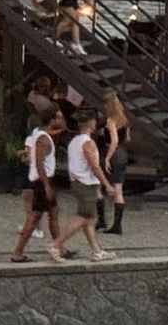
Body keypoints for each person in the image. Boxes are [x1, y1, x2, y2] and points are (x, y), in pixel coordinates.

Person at [49, 112, 118, 262]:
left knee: (90, 219)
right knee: (83, 217)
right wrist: (107, 184)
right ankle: (56, 244)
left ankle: (96, 251)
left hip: (77, 181)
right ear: (89, 123)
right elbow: (94, 166)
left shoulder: (74, 141)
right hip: (86, 183)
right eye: (93, 121)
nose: (95, 123)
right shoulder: (88, 143)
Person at [11, 113, 63, 261]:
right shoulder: (43, 140)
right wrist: (46, 185)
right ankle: (18, 251)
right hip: (42, 181)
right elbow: (39, 162)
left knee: (53, 213)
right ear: (51, 120)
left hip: (44, 179)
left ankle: (60, 247)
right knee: (35, 217)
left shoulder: (41, 136)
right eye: (58, 117)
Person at [99, 92, 130, 236]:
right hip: (123, 153)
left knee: (103, 186)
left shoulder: (111, 119)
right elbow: (127, 138)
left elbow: (114, 140)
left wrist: (107, 157)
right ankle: (117, 224)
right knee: (119, 188)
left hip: (113, 153)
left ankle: (104, 221)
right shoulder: (124, 118)